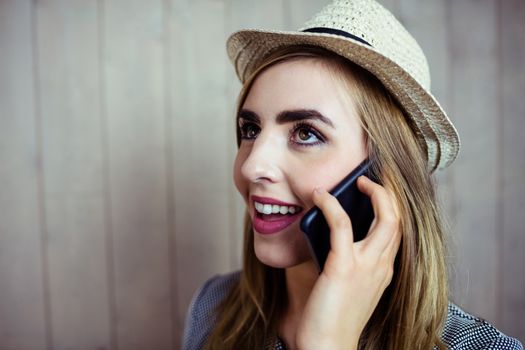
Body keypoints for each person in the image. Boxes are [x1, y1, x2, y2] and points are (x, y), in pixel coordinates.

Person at [183, 0, 524, 349]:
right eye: (251, 130)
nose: (252, 166)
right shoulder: (212, 307)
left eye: (305, 133)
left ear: (382, 174)